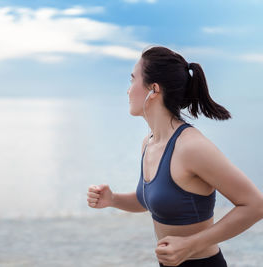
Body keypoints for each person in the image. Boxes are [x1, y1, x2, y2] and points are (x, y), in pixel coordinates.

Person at [86, 46, 263, 266]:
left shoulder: (191, 147)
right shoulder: (149, 142)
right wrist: (113, 200)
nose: (129, 90)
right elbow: (150, 199)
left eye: (133, 80)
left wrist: (191, 245)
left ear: (154, 89)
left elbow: (255, 205)